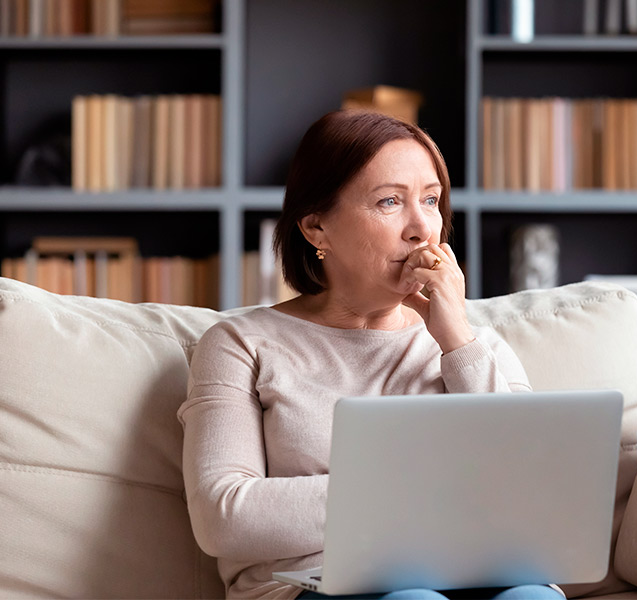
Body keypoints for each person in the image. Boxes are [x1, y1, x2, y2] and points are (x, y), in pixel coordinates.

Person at [178, 110, 563, 600]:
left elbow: (530, 497)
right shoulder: (240, 344)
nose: (423, 228)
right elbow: (224, 518)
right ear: (317, 228)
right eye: (389, 202)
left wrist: (458, 344)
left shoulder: (470, 344)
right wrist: (429, 493)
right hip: (319, 586)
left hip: (471, 574)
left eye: (431, 200)